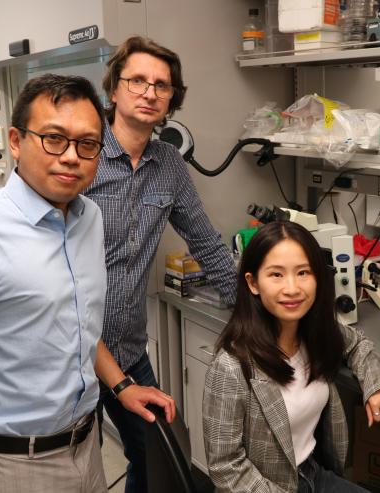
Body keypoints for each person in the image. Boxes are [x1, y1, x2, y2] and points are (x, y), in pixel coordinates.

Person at [0, 73, 174, 493]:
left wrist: (122, 387)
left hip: (85, 450)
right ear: (17, 142)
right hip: (8, 464)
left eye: (87, 144)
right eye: (54, 138)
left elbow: (79, 324)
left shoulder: (89, 219)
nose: (71, 157)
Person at [85, 35, 237, 492]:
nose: (150, 92)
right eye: (137, 81)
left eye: (162, 85)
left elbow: (206, 243)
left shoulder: (169, 164)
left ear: (171, 98)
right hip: (71, 351)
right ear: (114, 89)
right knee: (74, 469)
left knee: (156, 455)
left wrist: (254, 310)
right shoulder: (84, 155)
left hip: (128, 349)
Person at [203, 221, 380, 493]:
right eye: (276, 275)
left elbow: (357, 345)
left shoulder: (313, 332)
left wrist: (377, 386)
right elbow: (225, 467)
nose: (292, 288)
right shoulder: (231, 365)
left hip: (312, 475)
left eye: (303, 272)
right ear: (253, 283)